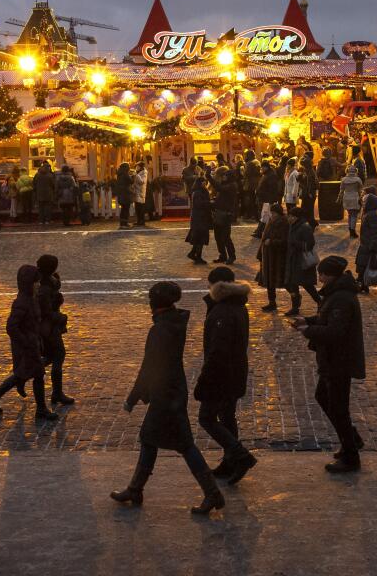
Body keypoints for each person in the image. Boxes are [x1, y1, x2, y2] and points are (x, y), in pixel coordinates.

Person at [111, 281, 224, 514]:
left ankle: (212, 493)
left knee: (182, 444)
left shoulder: (161, 329)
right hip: (172, 391)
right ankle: (135, 488)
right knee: (150, 439)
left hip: (165, 395)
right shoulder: (174, 322)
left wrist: (133, 397)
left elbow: (149, 366)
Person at [291, 256, 366, 473]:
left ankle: (351, 455)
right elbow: (326, 319)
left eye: (321, 273)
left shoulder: (341, 298)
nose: (318, 277)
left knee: (338, 407)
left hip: (338, 360)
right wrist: (308, 320)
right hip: (332, 359)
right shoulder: (336, 294)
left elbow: (335, 332)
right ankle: (351, 440)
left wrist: (308, 331)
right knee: (324, 398)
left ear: (329, 275)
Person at [194, 266, 255, 483]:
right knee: (227, 416)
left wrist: (203, 381)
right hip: (235, 372)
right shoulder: (236, 305)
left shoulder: (222, 311)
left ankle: (240, 456)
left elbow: (217, 352)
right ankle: (230, 461)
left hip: (222, 376)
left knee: (207, 418)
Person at [0, 264, 56, 421]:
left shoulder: (31, 299)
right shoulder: (22, 303)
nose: (38, 285)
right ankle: (41, 409)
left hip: (32, 344)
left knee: (26, 374)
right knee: (35, 374)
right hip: (27, 346)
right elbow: (11, 327)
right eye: (35, 283)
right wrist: (26, 342)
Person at [34, 254, 74, 406]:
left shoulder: (50, 282)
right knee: (58, 355)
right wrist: (61, 317)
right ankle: (57, 393)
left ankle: (4, 388)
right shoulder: (44, 288)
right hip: (49, 329)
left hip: (52, 327)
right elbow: (47, 313)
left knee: (50, 358)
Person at [284, 208, 321, 315]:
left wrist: (295, 243)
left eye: (291, 216)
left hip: (302, 261)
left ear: (296, 217)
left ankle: (320, 302)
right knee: (292, 284)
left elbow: (310, 244)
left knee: (307, 285)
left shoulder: (305, 227)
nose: (289, 218)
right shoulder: (292, 226)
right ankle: (295, 307)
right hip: (293, 260)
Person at [258, 203, 289, 313]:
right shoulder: (271, 220)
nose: (273, 215)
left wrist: (272, 242)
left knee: (284, 281)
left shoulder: (283, 222)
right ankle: (272, 302)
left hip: (277, 257)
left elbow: (284, 240)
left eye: (274, 213)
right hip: (268, 256)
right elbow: (264, 237)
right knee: (269, 281)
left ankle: (295, 300)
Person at [211, 168, 237, 264]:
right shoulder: (225, 184)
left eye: (225, 175)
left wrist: (209, 177)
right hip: (219, 213)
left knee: (226, 237)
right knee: (218, 236)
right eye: (223, 175)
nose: (224, 177)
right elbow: (220, 195)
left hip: (226, 214)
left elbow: (219, 189)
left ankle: (232, 256)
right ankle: (223, 255)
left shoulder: (231, 186)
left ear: (229, 176)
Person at [186, 177, 212, 264]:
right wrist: (210, 203)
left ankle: (193, 253)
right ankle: (198, 257)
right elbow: (199, 204)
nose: (205, 183)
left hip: (201, 217)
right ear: (200, 183)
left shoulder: (202, 191)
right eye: (204, 182)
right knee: (200, 238)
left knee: (199, 238)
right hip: (199, 218)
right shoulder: (197, 192)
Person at [339, 166, 364, 238]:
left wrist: (339, 198)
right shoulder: (358, 179)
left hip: (346, 197)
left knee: (350, 214)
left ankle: (350, 229)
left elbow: (341, 190)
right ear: (356, 171)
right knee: (354, 215)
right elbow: (361, 190)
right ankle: (353, 231)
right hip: (355, 197)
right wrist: (361, 198)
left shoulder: (343, 179)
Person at [34, 161, 56, 226]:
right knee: (48, 207)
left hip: (39, 193)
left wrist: (36, 191)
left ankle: (41, 220)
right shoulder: (50, 175)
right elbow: (53, 184)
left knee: (40, 208)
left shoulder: (37, 175)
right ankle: (47, 220)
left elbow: (34, 184)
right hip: (49, 194)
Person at [132, 162, 149, 226]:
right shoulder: (139, 172)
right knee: (137, 208)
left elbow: (142, 181)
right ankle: (139, 221)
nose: (136, 167)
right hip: (137, 192)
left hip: (140, 192)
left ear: (140, 167)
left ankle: (142, 221)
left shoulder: (144, 173)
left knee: (140, 208)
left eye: (137, 166)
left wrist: (136, 175)